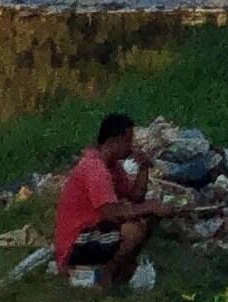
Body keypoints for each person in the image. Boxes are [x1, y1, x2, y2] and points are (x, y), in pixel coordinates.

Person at [54, 113, 167, 291]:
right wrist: (149, 206)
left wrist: (144, 168)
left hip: (94, 230)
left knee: (146, 219)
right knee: (134, 231)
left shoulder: (113, 166)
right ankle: (106, 274)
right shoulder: (95, 169)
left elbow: (135, 196)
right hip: (76, 240)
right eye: (128, 141)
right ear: (115, 141)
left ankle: (120, 270)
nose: (131, 147)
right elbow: (111, 212)